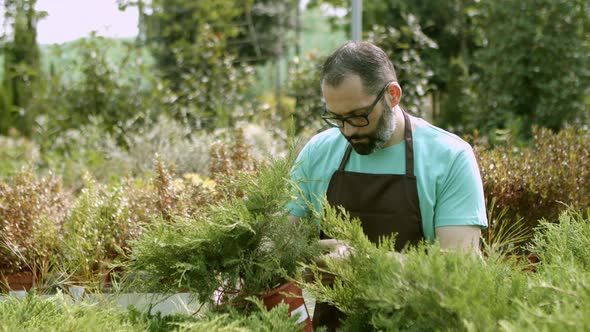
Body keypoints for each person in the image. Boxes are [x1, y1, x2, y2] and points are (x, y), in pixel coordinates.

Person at [287, 41, 488, 330]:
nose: (348, 131)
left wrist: (365, 262)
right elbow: (278, 238)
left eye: (358, 116)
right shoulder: (319, 152)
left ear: (392, 95)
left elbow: (460, 270)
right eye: (337, 119)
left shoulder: (450, 157)